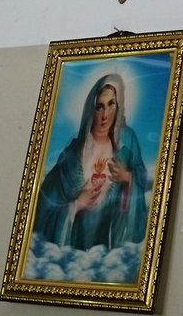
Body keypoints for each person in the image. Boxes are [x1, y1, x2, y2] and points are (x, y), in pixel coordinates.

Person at [35, 73, 151, 251]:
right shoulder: (73, 154)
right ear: (91, 109)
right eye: (99, 107)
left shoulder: (127, 143)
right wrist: (75, 205)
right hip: (72, 251)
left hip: (107, 254)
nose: (105, 115)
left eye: (111, 104)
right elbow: (43, 205)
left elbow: (142, 176)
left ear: (119, 105)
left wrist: (128, 177)